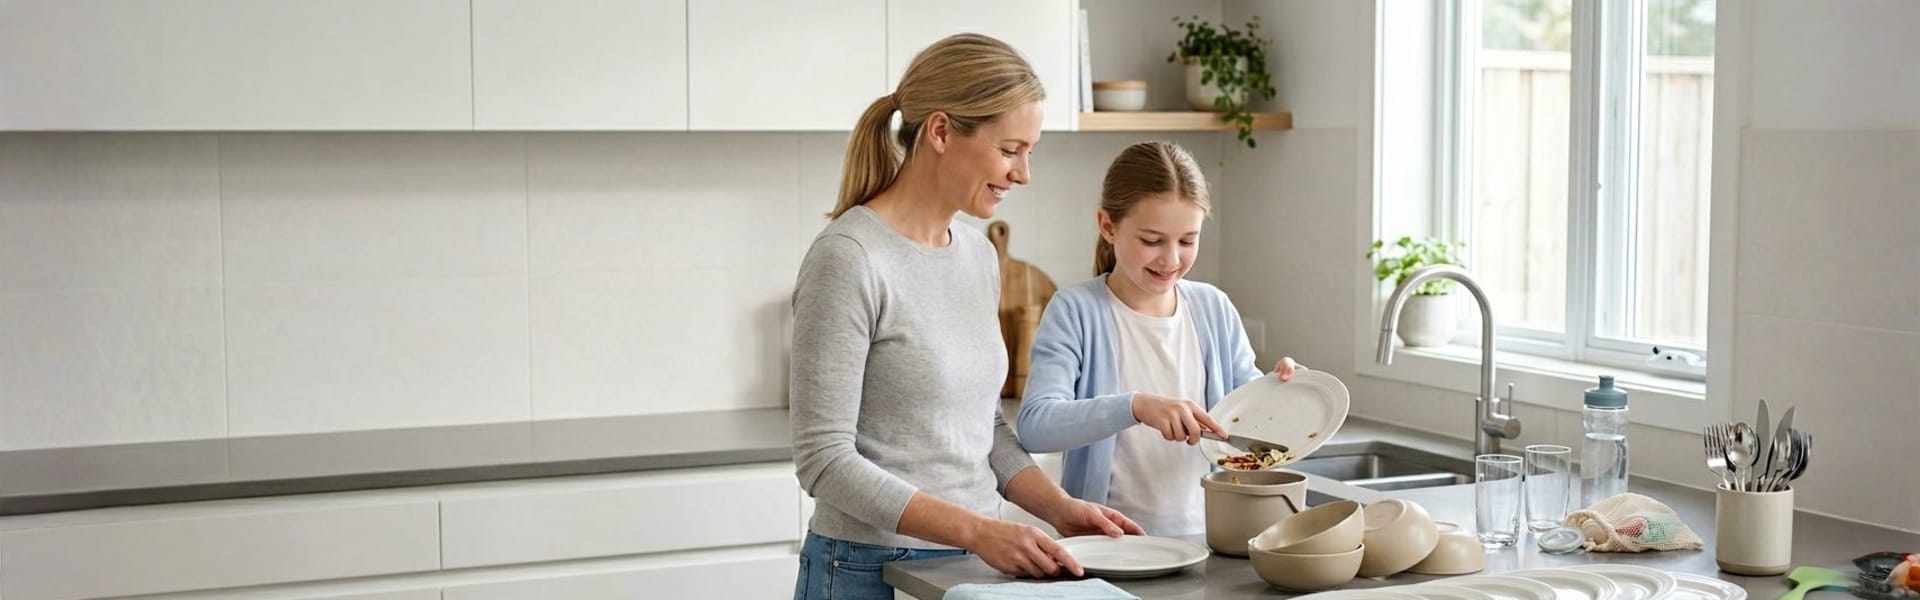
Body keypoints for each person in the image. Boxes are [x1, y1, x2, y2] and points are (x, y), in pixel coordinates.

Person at [789, 33, 1143, 600]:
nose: (1024, 173)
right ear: (940, 131)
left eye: (1031, 152)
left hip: (972, 569)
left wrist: (1060, 510)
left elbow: (985, 427)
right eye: (1010, 150)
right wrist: (980, 531)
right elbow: (823, 461)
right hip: (865, 569)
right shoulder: (849, 257)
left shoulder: (977, 254)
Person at [1014, 141, 1303, 537]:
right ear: (1108, 225)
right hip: (1108, 548)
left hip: (1210, 539)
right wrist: (1134, 408)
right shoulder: (1075, 311)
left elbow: (1249, 416)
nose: (1171, 259)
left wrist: (1285, 391)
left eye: (1187, 240)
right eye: (1152, 241)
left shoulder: (1213, 308)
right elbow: (1035, 426)